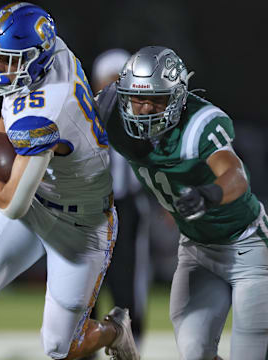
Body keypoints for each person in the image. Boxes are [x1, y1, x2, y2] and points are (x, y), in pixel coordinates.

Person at [0, 3, 140, 360]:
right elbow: (14, 99)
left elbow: (12, 204)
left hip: (80, 224)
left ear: (33, 60)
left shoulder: (46, 111)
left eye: (5, 60)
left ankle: (114, 330)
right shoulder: (53, 51)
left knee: (60, 346)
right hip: (44, 195)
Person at [96, 45, 268, 360]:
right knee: (194, 351)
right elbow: (62, 114)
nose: (145, 109)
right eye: (137, 98)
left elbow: (235, 174)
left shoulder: (199, 123)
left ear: (178, 97)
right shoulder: (113, 116)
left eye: (156, 99)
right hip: (197, 251)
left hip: (246, 248)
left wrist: (209, 193)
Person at [90, 49, 150, 350]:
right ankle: (84, 345)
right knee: (85, 281)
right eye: (109, 81)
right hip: (89, 209)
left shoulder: (144, 114)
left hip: (126, 206)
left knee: (128, 279)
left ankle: (132, 343)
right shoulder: (83, 111)